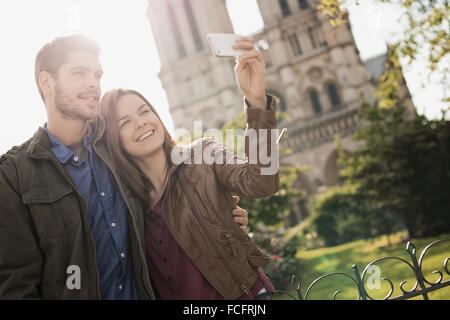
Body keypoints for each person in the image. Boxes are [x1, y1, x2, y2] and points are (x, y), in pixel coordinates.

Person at [0, 34, 250, 299]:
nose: (92, 84)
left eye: (97, 75)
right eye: (79, 74)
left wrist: (216, 215)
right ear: (47, 82)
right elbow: (15, 283)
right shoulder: (13, 175)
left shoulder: (118, 144)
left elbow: (170, 193)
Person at [100, 36, 280, 299]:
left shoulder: (202, 155)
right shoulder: (124, 202)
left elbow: (261, 182)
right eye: (125, 122)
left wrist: (256, 102)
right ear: (113, 140)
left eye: (144, 111)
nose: (141, 123)